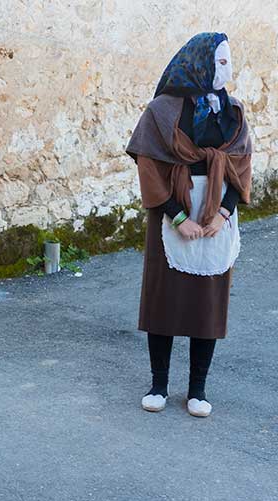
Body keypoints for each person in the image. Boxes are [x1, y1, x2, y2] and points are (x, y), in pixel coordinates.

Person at [126, 33, 253, 417]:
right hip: (173, 211)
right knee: (164, 300)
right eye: (222, 61)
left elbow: (241, 164)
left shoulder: (232, 110)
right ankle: (159, 384)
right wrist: (177, 216)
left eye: (228, 62)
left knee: (207, 304)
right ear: (200, 62)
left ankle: (197, 389)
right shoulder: (162, 111)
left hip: (215, 216)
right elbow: (149, 165)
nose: (228, 69)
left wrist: (223, 213)